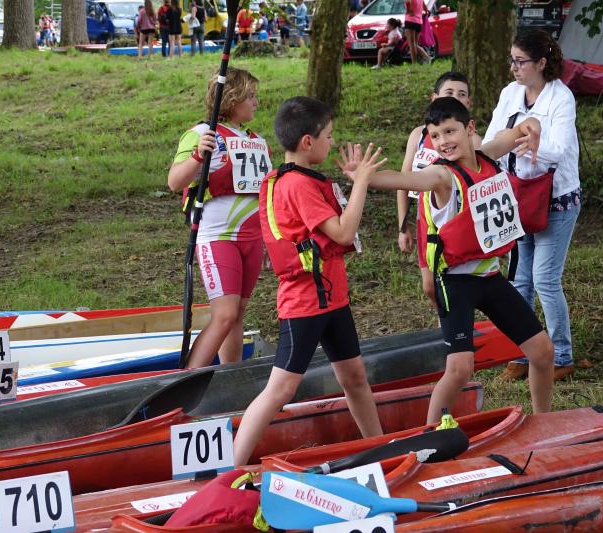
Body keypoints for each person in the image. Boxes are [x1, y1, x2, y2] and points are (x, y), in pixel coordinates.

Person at [356, 97, 554, 423]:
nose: (443, 141)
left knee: (543, 352)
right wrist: (366, 177)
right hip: (455, 282)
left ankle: (545, 424)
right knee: (460, 369)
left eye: (450, 131)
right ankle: (432, 434)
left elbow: (512, 134)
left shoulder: (485, 157)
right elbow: (407, 180)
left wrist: (532, 126)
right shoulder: (441, 176)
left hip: (489, 277)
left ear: (470, 129)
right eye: (435, 136)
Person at [232, 96, 386, 466]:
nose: (331, 142)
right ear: (307, 142)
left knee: (354, 377)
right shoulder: (298, 185)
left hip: (333, 300)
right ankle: (231, 466)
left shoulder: (297, 179)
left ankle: (382, 449)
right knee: (281, 388)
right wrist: (362, 182)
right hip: (305, 304)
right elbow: (344, 233)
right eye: (328, 136)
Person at [484, 30, 581, 383]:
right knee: (519, 280)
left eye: (520, 61)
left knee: (545, 280)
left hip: (556, 200)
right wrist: (515, 139)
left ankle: (562, 356)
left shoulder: (561, 97)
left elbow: (560, 148)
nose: (513, 68)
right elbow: (494, 138)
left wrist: (533, 141)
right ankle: (522, 355)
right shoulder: (510, 94)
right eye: (511, 60)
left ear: (541, 63)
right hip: (516, 197)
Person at [167, 68, 272, 368]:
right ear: (232, 98)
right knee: (224, 314)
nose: (256, 102)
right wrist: (198, 156)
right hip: (218, 236)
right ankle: (187, 379)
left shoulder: (257, 140)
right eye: (250, 96)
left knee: (237, 314)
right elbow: (175, 182)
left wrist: (267, 239)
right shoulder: (202, 133)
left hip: (252, 238)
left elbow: (262, 194)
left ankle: (231, 378)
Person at [396, 71, 482, 306]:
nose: (455, 97)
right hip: (426, 220)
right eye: (449, 92)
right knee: (430, 287)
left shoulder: (472, 141)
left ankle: (458, 328)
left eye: (462, 94)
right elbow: (404, 181)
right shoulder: (418, 134)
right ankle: (448, 327)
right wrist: (403, 226)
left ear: (468, 103)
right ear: (435, 98)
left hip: (455, 222)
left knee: (451, 285)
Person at [403, 0, 429, 64]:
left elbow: (407, 2)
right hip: (419, 22)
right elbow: (425, 9)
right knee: (415, 44)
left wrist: (408, 11)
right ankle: (426, 57)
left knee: (412, 44)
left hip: (410, 20)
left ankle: (415, 62)